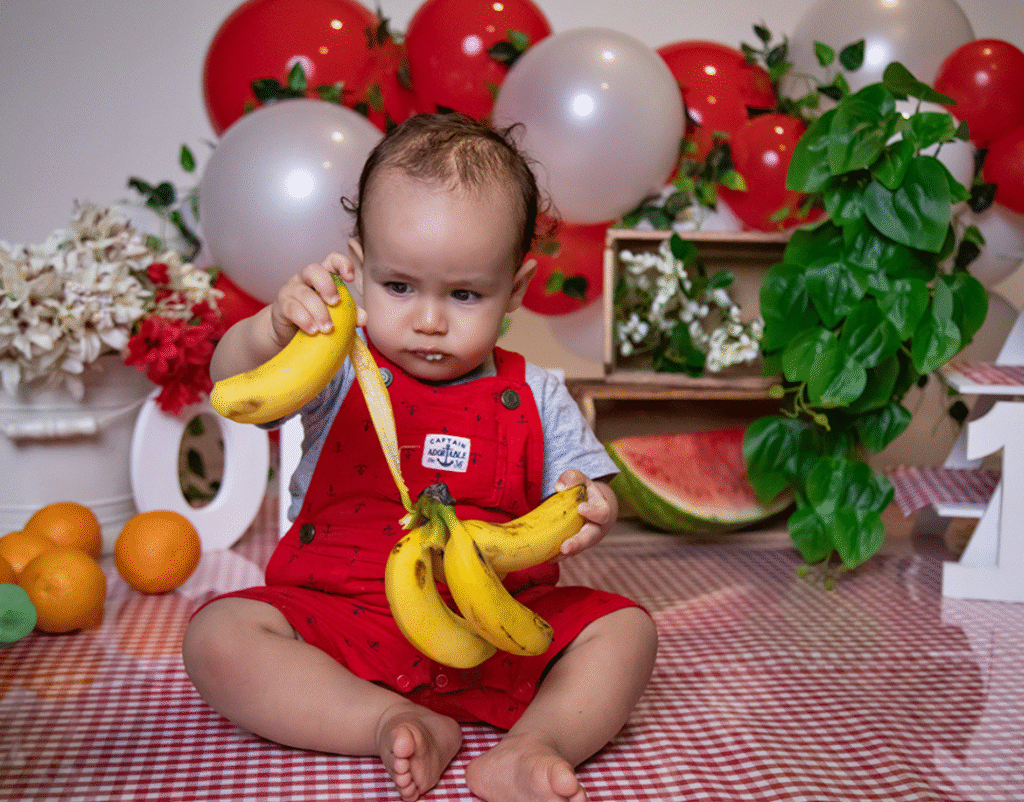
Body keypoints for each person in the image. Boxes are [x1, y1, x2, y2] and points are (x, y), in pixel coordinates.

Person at [182, 113, 658, 802]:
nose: (429, 320)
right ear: (361, 264)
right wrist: (273, 327)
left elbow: (587, 491)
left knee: (627, 632)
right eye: (400, 286)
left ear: (515, 291)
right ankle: (387, 720)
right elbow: (232, 385)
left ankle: (535, 743)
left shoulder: (540, 392)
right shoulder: (337, 367)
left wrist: (592, 505)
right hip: (341, 624)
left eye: (465, 294)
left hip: (495, 625)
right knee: (219, 637)